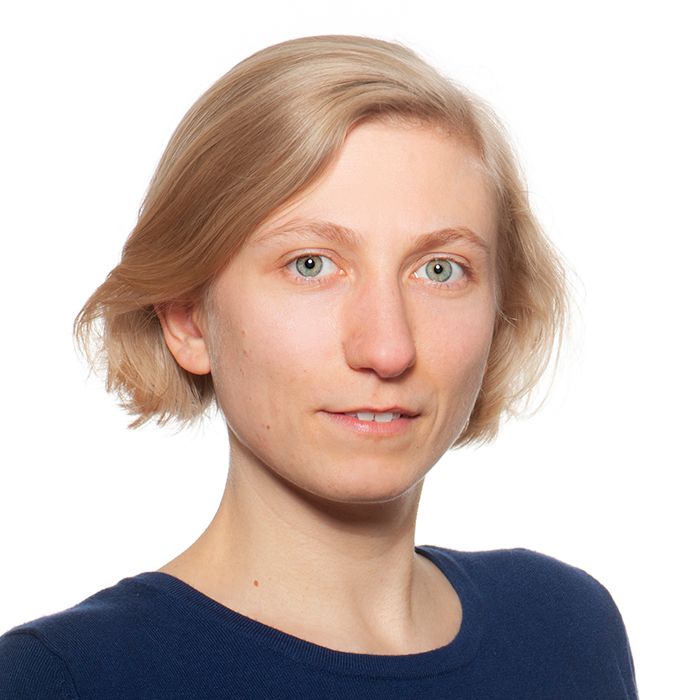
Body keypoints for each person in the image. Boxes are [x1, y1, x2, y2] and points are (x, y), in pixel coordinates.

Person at [0, 35, 637, 698]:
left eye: (440, 270)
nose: (387, 349)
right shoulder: (66, 679)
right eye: (310, 265)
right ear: (188, 320)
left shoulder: (565, 628)